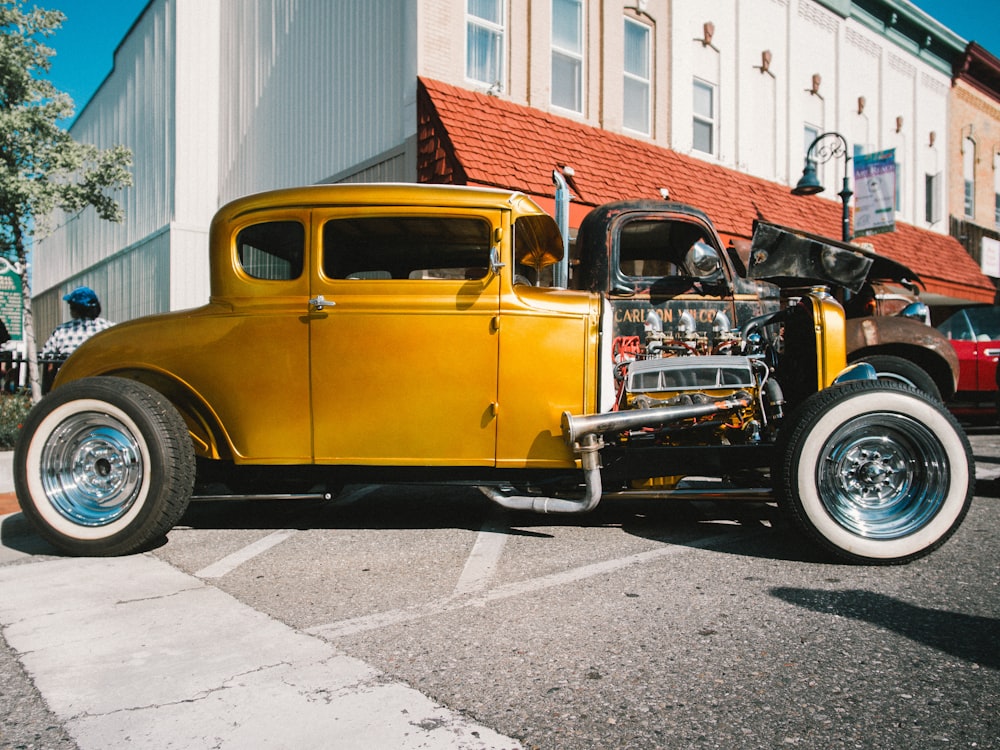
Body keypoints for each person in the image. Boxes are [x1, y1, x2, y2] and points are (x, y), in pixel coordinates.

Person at [39, 286, 114, 358]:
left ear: (74, 309)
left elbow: (45, 355)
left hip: (71, 371)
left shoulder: (62, 331)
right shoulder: (110, 329)